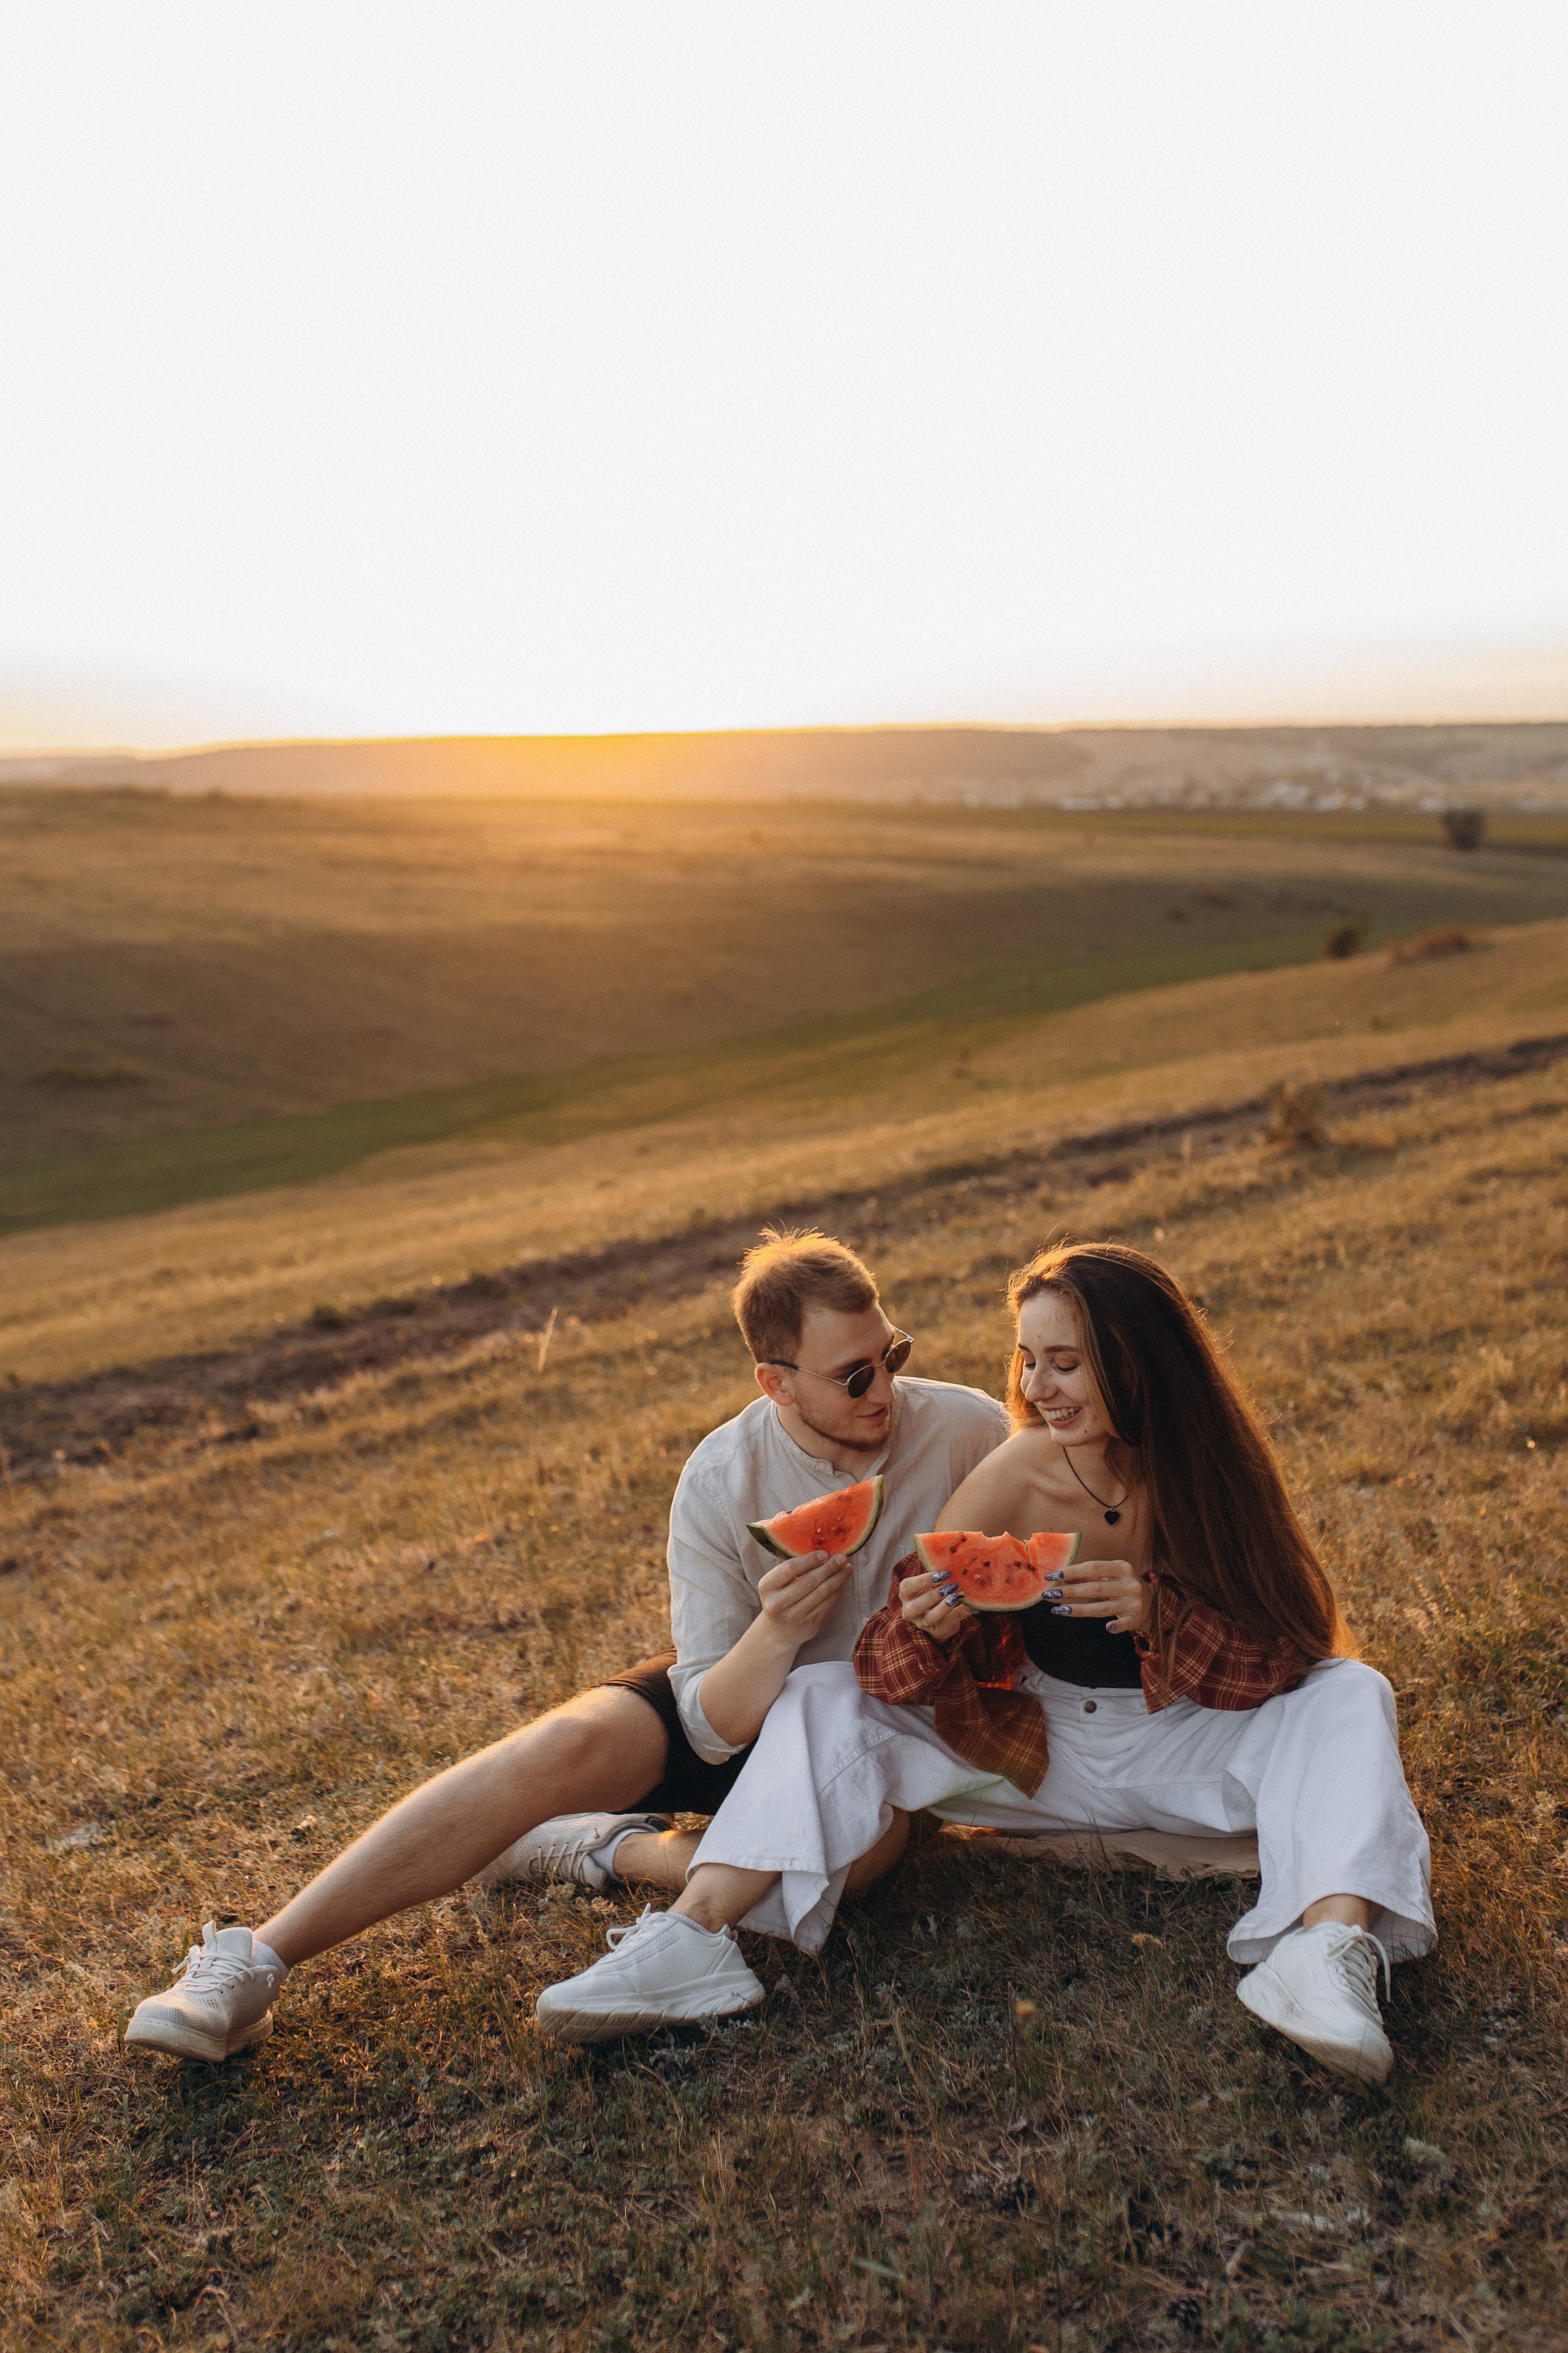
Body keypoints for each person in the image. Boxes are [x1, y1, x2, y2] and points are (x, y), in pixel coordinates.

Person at [533, 1242, 1434, 2086]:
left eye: (1066, 1362)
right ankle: (693, 1939)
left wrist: (1166, 1614)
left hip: (1182, 1751)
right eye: (1028, 1359)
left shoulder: (1209, 1469)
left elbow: (1295, 1650)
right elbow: (889, 1655)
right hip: (1033, 1758)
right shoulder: (1015, 1470)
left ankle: (1323, 1953)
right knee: (822, 1689)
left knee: (1354, 1691)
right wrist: (923, 1625)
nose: (1038, 1387)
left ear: (1137, 1360)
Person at [124, 1228, 1009, 2062]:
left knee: (855, 1868)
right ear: (775, 1383)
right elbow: (711, 1727)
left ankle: (610, 1850)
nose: (884, 1391)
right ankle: (254, 1959)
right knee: (564, 1742)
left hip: (885, 1733)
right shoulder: (718, 1480)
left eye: (892, 1356)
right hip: (745, 1700)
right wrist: (778, 1628)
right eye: (854, 1377)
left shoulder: (968, 1431)